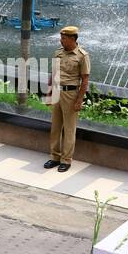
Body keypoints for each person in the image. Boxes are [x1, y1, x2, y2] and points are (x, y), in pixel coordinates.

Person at [44, 26, 90, 172]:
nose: (61, 41)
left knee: (69, 129)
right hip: (57, 92)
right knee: (55, 127)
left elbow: (85, 80)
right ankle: (54, 157)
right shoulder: (58, 53)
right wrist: (49, 93)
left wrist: (79, 100)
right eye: (61, 38)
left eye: (64, 38)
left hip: (71, 94)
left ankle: (66, 160)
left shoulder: (82, 56)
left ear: (72, 39)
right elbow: (53, 73)